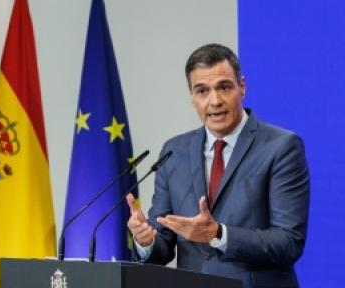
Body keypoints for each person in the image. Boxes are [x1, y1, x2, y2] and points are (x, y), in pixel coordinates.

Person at [126, 43, 310, 287]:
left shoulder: (281, 147)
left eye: (224, 87)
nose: (215, 101)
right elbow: (164, 244)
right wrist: (146, 241)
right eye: (202, 91)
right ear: (192, 97)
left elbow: (288, 242)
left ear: (241, 87)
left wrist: (219, 234)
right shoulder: (174, 152)